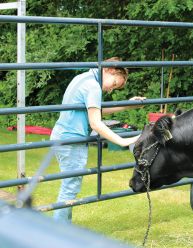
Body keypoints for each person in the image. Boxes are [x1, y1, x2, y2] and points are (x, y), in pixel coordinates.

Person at [50, 57, 145, 223]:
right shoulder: (93, 86)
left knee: (69, 185)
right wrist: (122, 141)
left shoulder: (83, 78)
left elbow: (97, 109)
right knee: (70, 188)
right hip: (72, 140)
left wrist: (127, 105)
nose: (111, 90)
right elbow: (96, 122)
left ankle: (63, 227)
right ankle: (58, 231)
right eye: (114, 83)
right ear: (109, 70)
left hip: (62, 137)